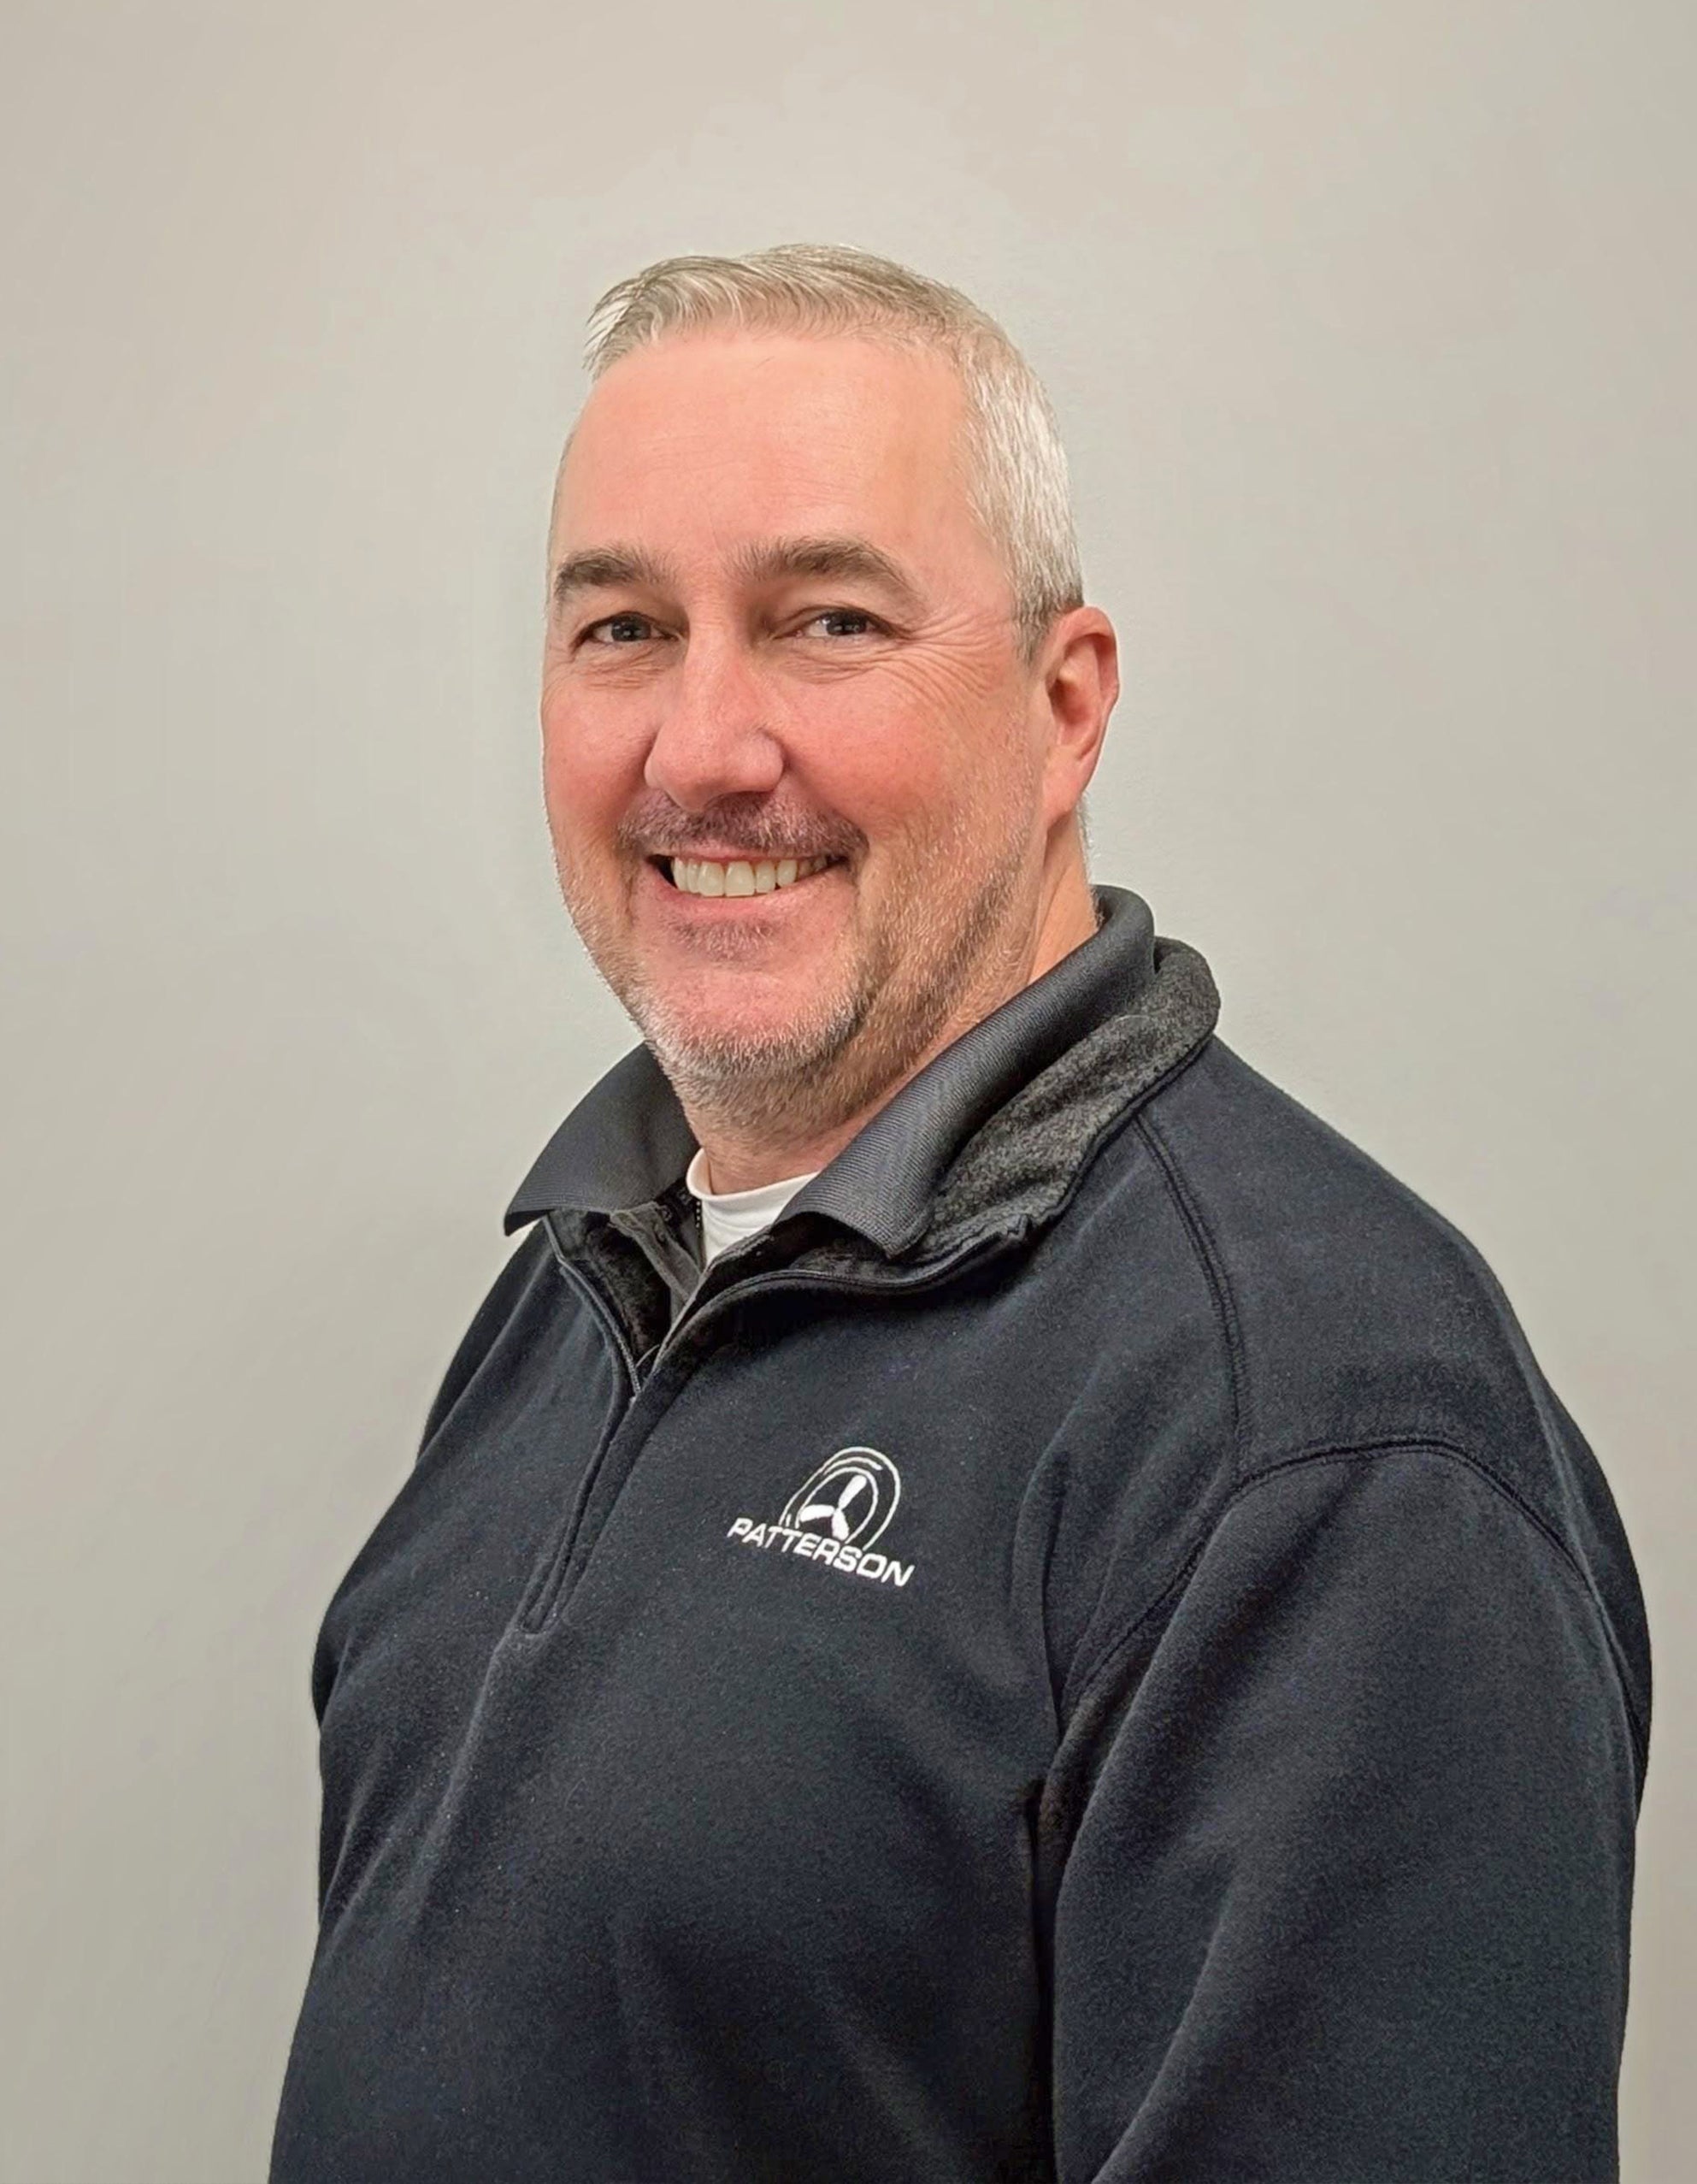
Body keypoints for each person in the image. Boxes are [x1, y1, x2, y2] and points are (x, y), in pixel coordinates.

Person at [269, 244, 1650, 2184]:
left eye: (826, 621)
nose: (702, 746)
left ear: (1065, 703)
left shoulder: (1321, 1441)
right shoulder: (592, 1273)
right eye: (622, 630)